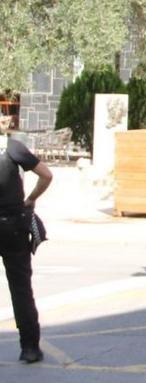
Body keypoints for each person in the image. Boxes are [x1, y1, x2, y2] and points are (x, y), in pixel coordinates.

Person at [0, 116, 52, 363]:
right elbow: (46, 175)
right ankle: (30, 347)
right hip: (13, 227)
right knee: (21, 289)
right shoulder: (13, 149)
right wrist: (30, 199)